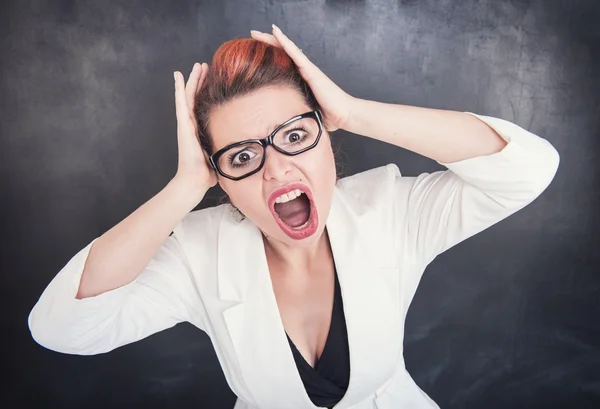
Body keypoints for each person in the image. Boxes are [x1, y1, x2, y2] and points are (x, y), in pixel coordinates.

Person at [28, 25, 560, 409]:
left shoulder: (390, 211)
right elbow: (63, 328)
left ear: (326, 135)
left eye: (296, 137)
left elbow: (529, 169)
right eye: (241, 157)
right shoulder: (197, 254)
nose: (277, 170)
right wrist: (185, 185)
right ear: (221, 182)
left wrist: (353, 111)